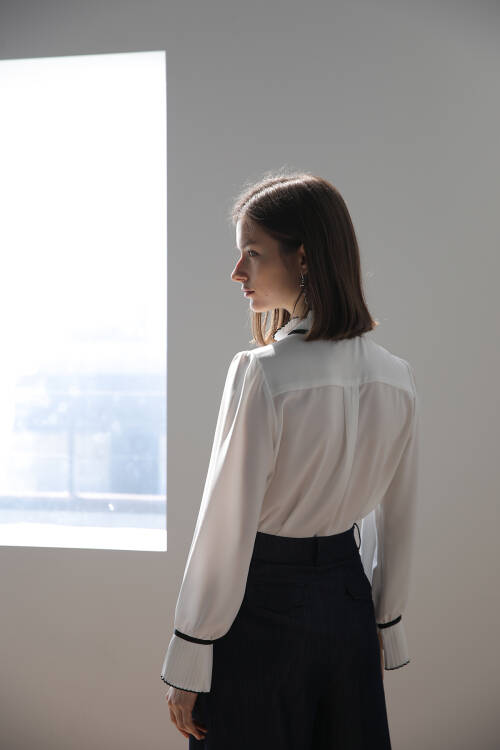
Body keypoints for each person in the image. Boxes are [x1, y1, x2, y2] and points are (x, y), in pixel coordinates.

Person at [161, 171, 420, 748]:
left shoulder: (262, 373)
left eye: (252, 253)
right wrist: (385, 623)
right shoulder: (397, 377)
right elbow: (399, 519)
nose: (237, 272)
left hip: (263, 607)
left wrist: (191, 654)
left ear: (303, 257)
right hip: (349, 606)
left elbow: (225, 526)